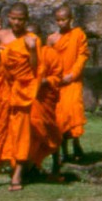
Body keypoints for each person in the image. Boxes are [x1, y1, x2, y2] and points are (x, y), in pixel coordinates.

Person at [0, 3, 40, 191]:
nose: (16, 22)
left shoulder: (32, 40)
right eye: (13, 18)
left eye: (20, 19)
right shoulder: (1, 36)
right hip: (4, 89)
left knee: (21, 130)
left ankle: (17, 175)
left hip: (22, 90)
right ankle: (9, 162)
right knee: (4, 126)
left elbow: (34, 68)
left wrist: (31, 50)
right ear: (8, 18)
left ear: (26, 20)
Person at [47, 4, 89, 162]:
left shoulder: (78, 34)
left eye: (64, 20)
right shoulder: (52, 38)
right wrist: (55, 77)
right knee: (60, 118)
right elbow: (48, 58)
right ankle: (63, 149)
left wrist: (72, 75)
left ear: (71, 19)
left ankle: (76, 143)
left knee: (73, 111)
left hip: (72, 80)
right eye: (58, 20)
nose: (61, 23)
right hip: (58, 82)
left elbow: (82, 55)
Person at [28, 27, 64, 179]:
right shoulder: (20, 52)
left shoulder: (49, 53)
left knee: (50, 130)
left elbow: (57, 76)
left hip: (45, 98)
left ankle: (56, 165)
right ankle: (32, 167)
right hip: (26, 99)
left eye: (34, 37)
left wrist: (46, 81)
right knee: (30, 132)